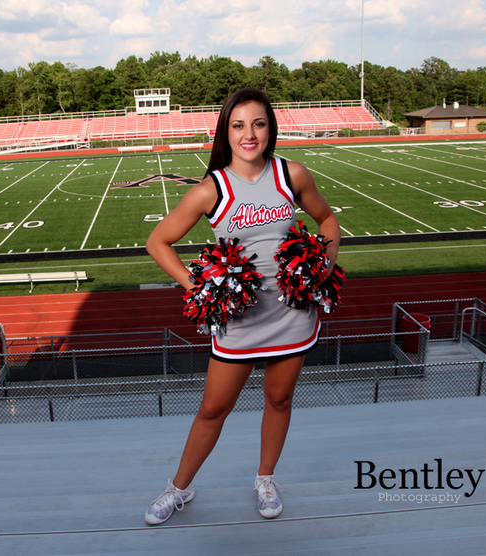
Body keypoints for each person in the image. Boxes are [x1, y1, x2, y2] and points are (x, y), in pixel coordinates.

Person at [144, 88, 340, 526]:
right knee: (213, 408)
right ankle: (179, 488)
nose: (249, 134)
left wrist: (323, 265)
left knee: (280, 398)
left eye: (258, 123)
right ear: (225, 132)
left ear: (270, 129)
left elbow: (327, 220)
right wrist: (199, 285)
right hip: (239, 320)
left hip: (292, 312)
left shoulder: (292, 174)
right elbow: (158, 241)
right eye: (238, 125)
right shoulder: (211, 188)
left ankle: (265, 479)